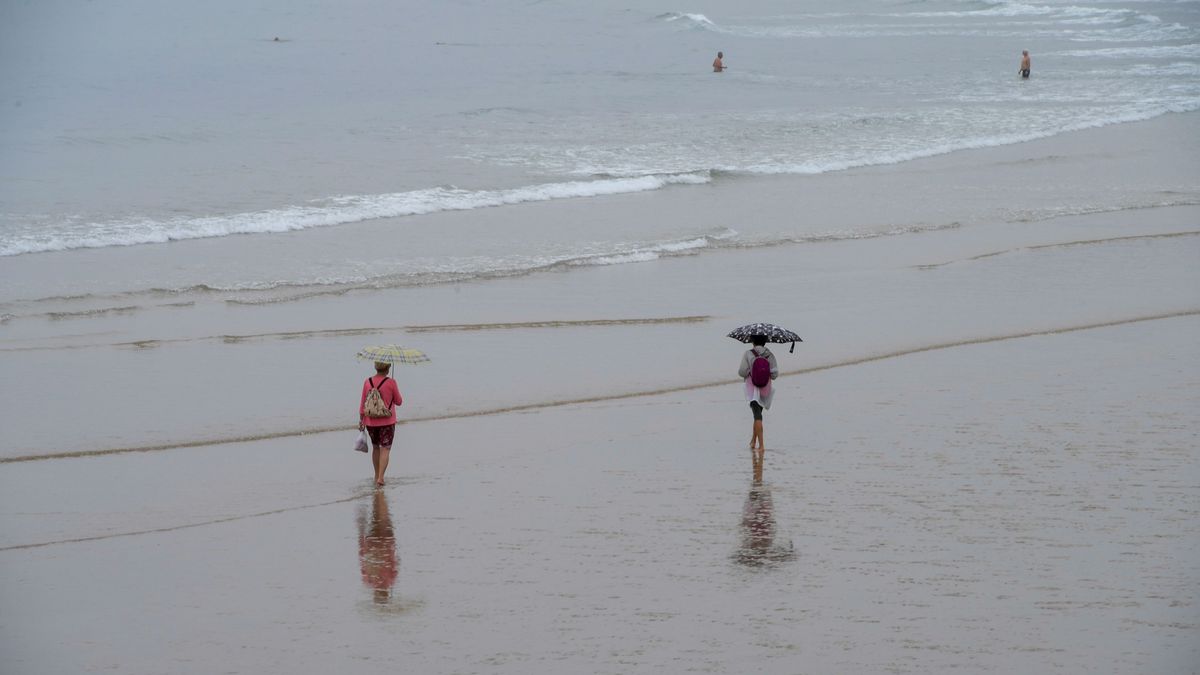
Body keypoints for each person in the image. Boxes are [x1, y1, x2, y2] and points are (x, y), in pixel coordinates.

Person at [359, 361, 403, 486]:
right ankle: (381, 477)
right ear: (388, 369)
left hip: (370, 422)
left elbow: (363, 403)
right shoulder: (391, 382)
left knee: (376, 447)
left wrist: (361, 419)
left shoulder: (367, 382)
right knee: (385, 448)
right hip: (387, 422)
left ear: (375, 367)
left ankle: (376, 474)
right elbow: (399, 401)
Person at [738, 335, 778, 452]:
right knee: (757, 414)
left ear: (752, 342)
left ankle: (761, 446)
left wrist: (751, 371)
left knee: (757, 416)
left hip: (752, 389)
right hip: (765, 388)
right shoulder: (770, 354)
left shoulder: (748, 354)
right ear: (765, 341)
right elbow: (775, 374)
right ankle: (753, 441)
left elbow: (741, 372)